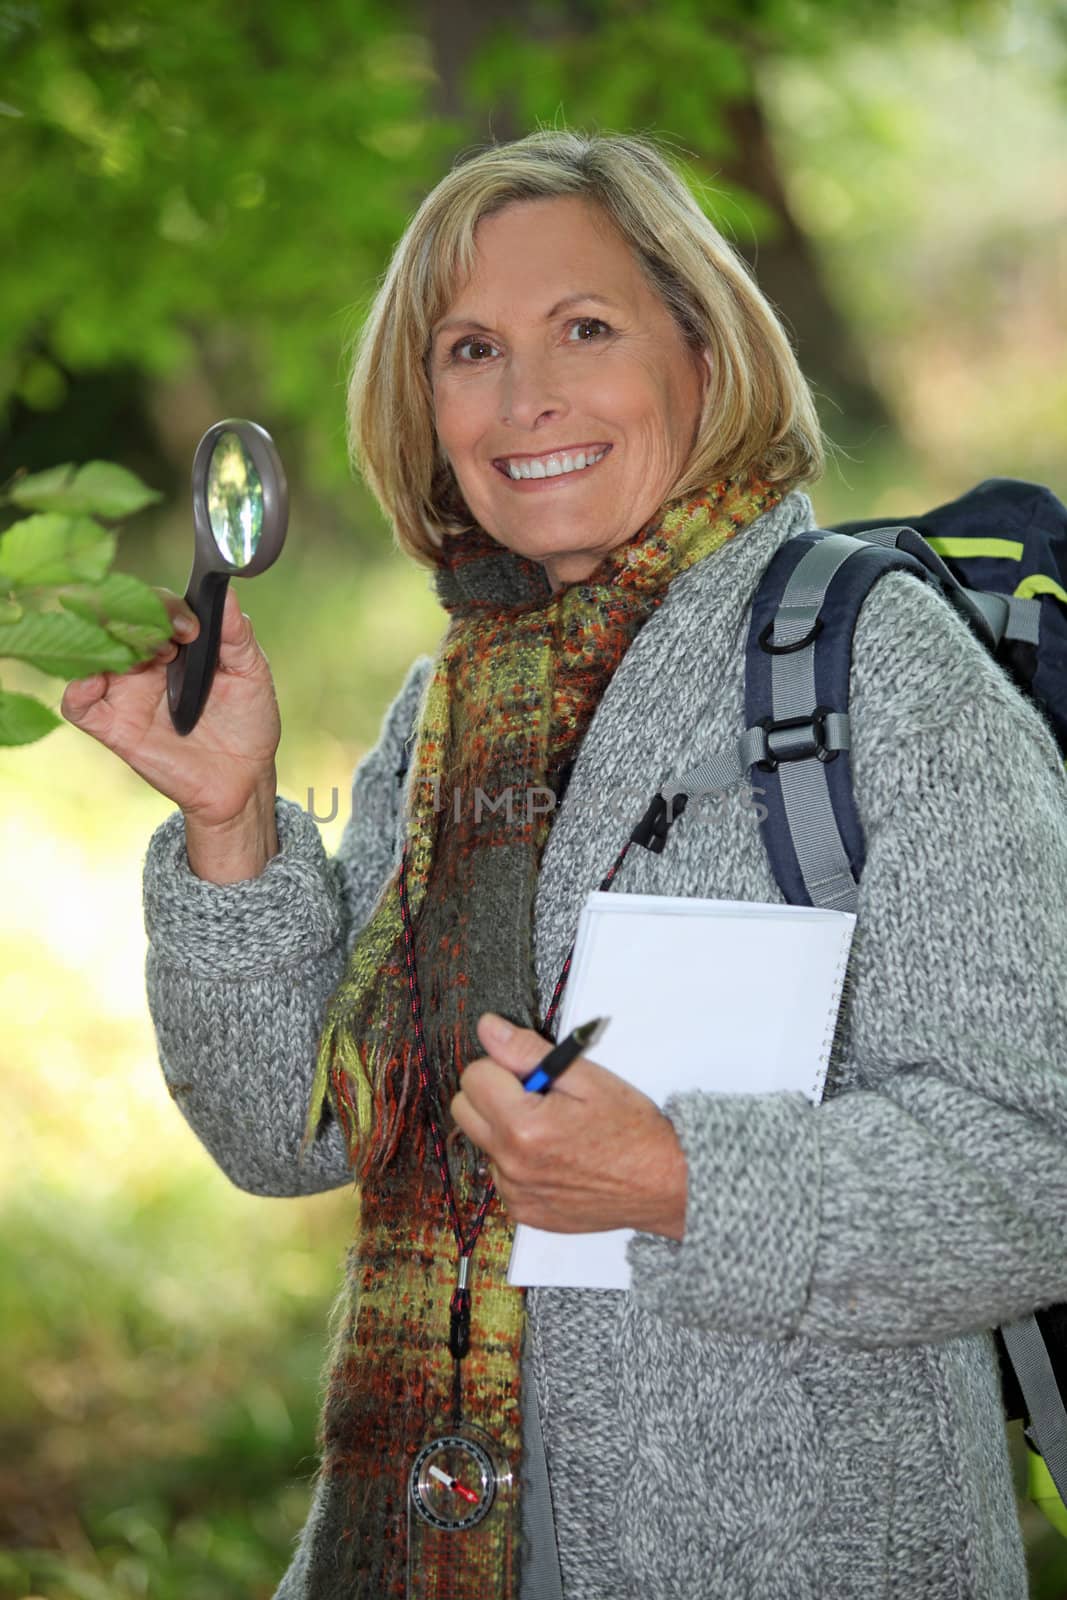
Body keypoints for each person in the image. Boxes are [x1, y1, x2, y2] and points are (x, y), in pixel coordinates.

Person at [61, 129, 1067, 1600]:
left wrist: (676, 1178)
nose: (526, 395)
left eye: (584, 328)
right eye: (469, 348)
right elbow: (293, 1131)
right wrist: (230, 819)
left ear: (703, 358)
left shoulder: (881, 669)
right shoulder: (449, 704)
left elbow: (1040, 1162)